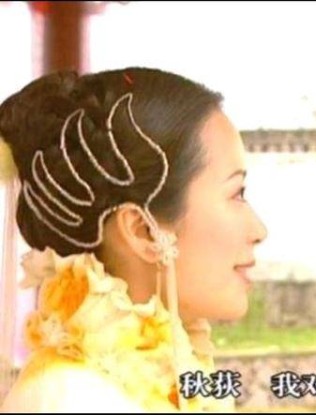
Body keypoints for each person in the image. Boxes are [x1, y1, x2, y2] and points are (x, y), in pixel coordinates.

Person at [0, 67, 267, 412]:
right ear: (143, 230)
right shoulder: (70, 399)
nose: (259, 230)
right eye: (236, 194)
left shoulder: (157, 375)